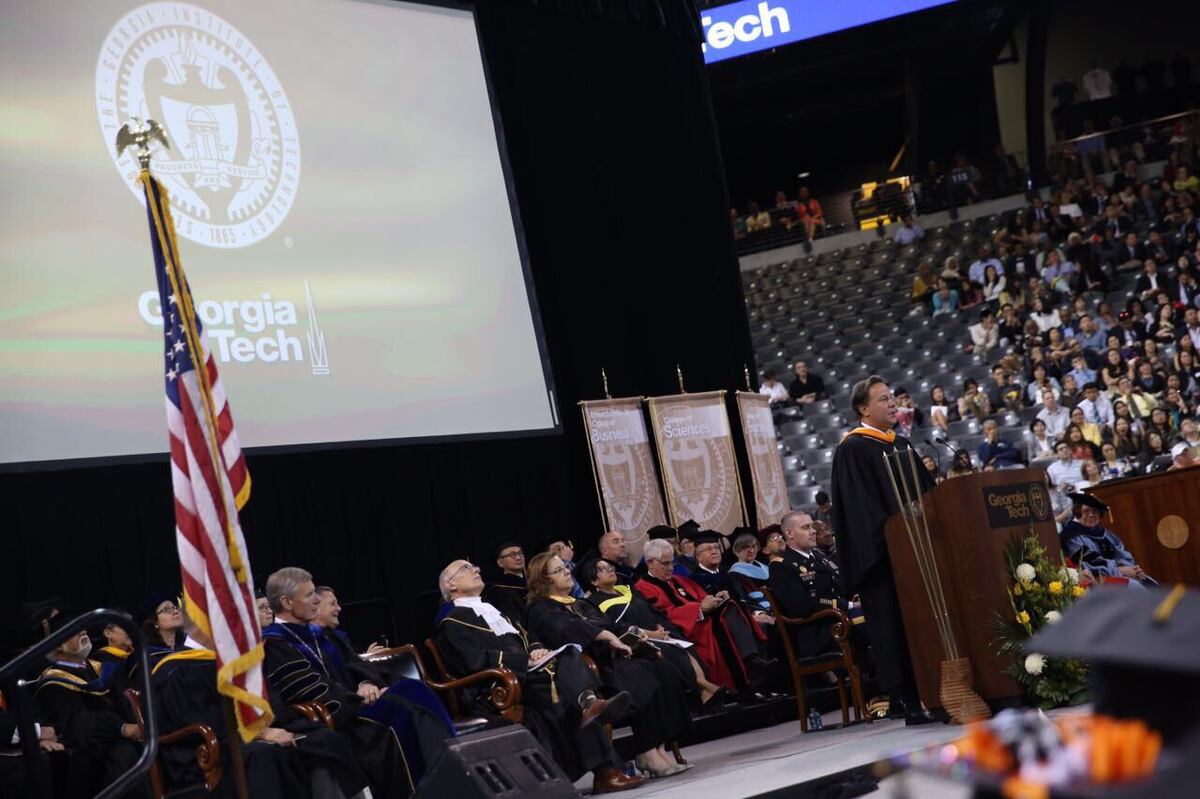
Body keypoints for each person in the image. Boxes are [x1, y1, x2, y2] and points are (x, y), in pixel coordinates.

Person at [434, 559, 644, 792]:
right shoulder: (451, 622)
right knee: (567, 690)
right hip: (497, 687)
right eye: (466, 568)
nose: (476, 569)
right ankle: (604, 768)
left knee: (571, 655)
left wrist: (536, 649)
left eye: (475, 566)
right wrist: (525, 661)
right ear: (451, 585)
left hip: (531, 676)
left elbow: (525, 637)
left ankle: (590, 705)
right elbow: (471, 660)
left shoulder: (493, 611)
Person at [261, 567, 455, 798]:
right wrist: (357, 700)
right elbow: (309, 692)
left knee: (412, 689)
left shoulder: (321, 634)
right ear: (287, 602)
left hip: (357, 705)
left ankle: (452, 773)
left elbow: (358, 665)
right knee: (404, 711)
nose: (316, 600)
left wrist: (365, 682)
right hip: (340, 718)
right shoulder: (275, 645)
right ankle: (438, 785)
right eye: (309, 595)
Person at [153, 609, 369, 798]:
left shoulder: (230, 660)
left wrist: (273, 724)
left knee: (321, 738)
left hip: (247, 733)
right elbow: (198, 720)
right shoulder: (175, 669)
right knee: (266, 753)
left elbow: (268, 700)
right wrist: (261, 732)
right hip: (209, 749)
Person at [524, 552, 692, 778]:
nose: (567, 571)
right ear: (544, 580)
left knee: (665, 669)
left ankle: (659, 746)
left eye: (565, 567)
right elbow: (566, 629)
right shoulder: (541, 608)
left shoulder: (580, 603)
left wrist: (633, 633)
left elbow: (610, 624)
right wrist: (606, 636)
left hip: (614, 659)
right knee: (641, 673)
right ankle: (647, 751)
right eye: (558, 570)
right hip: (589, 670)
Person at [829, 375, 936, 724]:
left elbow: (929, 496)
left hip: (918, 554)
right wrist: (895, 538)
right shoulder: (853, 449)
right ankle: (906, 699)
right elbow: (861, 512)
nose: (892, 404)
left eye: (892, 398)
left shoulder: (901, 444)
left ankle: (938, 690)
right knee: (892, 628)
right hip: (884, 559)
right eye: (883, 399)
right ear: (863, 408)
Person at [578, 558, 727, 710]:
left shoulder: (627, 589)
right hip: (638, 642)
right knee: (670, 651)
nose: (610, 570)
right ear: (594, 581)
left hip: (657, 634)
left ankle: (704, 690)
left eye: (610, 566)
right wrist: (653, 634)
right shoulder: (595, 602)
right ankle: (704, 688)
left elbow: (652, 610)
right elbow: (617, 628)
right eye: (602, 569)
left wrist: (660, 626)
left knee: (684, 645)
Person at [32, 619, 152, 798]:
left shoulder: (99, 668)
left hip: (123, 738)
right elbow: (76, 722)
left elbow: (125, 702)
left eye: (81, 628)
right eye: (74, 631)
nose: (82, 632)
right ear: (57, 646)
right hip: (92, 746)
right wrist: (122, 728)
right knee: (124, 754)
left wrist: (140, 722)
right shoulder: (53, 682)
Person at [635, 538, 772, 694]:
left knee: (731, 605)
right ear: (650, 562)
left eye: (672, 563)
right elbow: (662, 616)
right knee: (723, 626)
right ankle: (746, 676)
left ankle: (753, 664)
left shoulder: (679, 580)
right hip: (684, 630)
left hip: (703, 620)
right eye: (665, 564)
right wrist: (698, 609)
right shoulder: (643, 588)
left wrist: (716, 598)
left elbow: (702, 597)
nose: (671, 568)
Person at [767, 511, 850, 660]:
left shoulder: (819, 556)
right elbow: (802, 606)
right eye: (806, 528)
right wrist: (845, 605)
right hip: (817, 631)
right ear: (790, 533)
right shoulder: (781, 566)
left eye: (812, 527)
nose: (813, 532)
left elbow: (839, 584)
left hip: (838, 620)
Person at [1060, 494, 1156, 586]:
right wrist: (1119, 570)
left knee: (1152, 584)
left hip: (1119, 574)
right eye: (1086, 511)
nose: (1091, 515)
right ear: (1078, 512)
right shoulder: (1072, 537)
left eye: (1095, 511)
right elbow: (1091, 563)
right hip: (1096, 580)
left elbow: (1121, 553)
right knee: (1135, 586)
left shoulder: (1104, 533)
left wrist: (1132, 569)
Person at [483, 540, 529, 627]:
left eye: (520, 553)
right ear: (500, 562)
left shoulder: (533, 582)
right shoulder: (497, 590)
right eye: (512, 555)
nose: (518, 557)